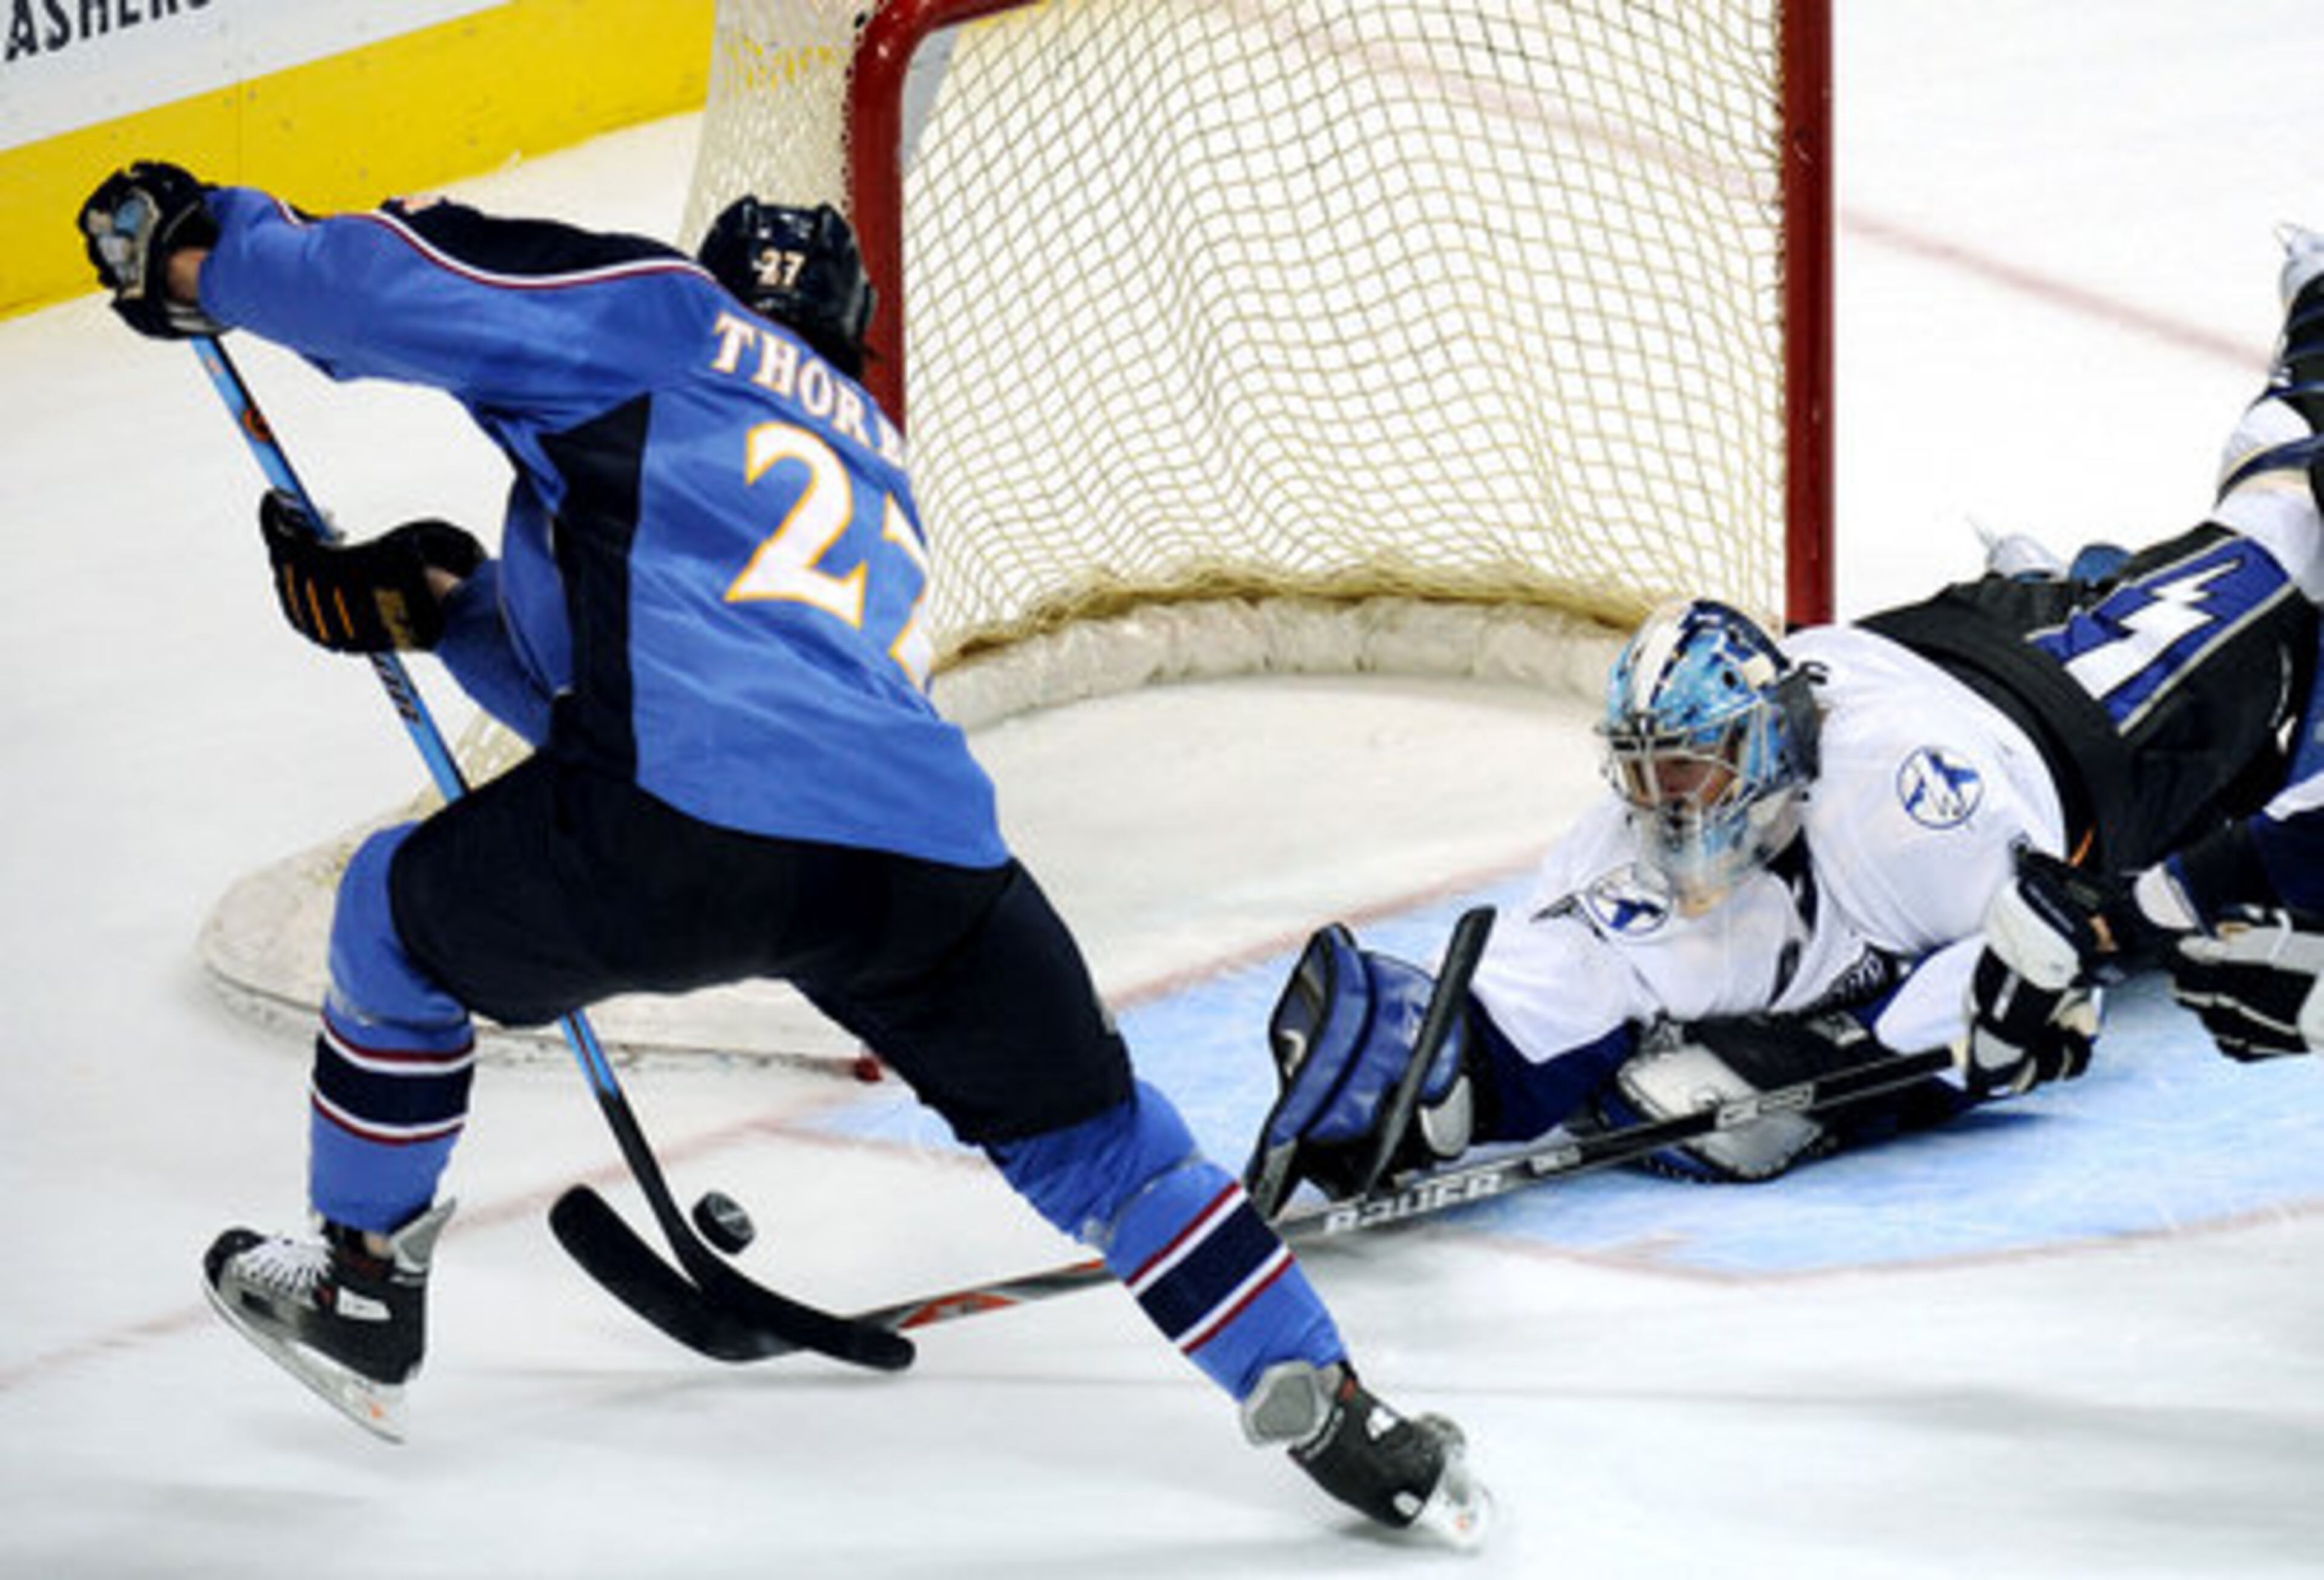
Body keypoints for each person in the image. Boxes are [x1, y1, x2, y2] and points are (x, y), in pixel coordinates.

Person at [76, 161, 1488, 1546]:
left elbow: (402, 282)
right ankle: (1335, 1404)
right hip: (925, 865)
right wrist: (443, 607)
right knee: (1103, 1145)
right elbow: (658, 668)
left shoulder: (664, 314)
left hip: (687, 833)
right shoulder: (875, 460)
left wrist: (214, 253)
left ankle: (360, 1282)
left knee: (392, 914)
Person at [1250, 226, 2324, 1203]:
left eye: (1696, 771)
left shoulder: (1903, 801)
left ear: (1767, 751)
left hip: (2074, 708)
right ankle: (2070, 575)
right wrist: (1421, 1058)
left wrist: (1825, 1075)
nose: (1668, 809)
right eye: (1649, 773)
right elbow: (1569, 969)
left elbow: (2044, 955)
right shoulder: (1621, 857)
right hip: (1915, 641)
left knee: (2286, 530)